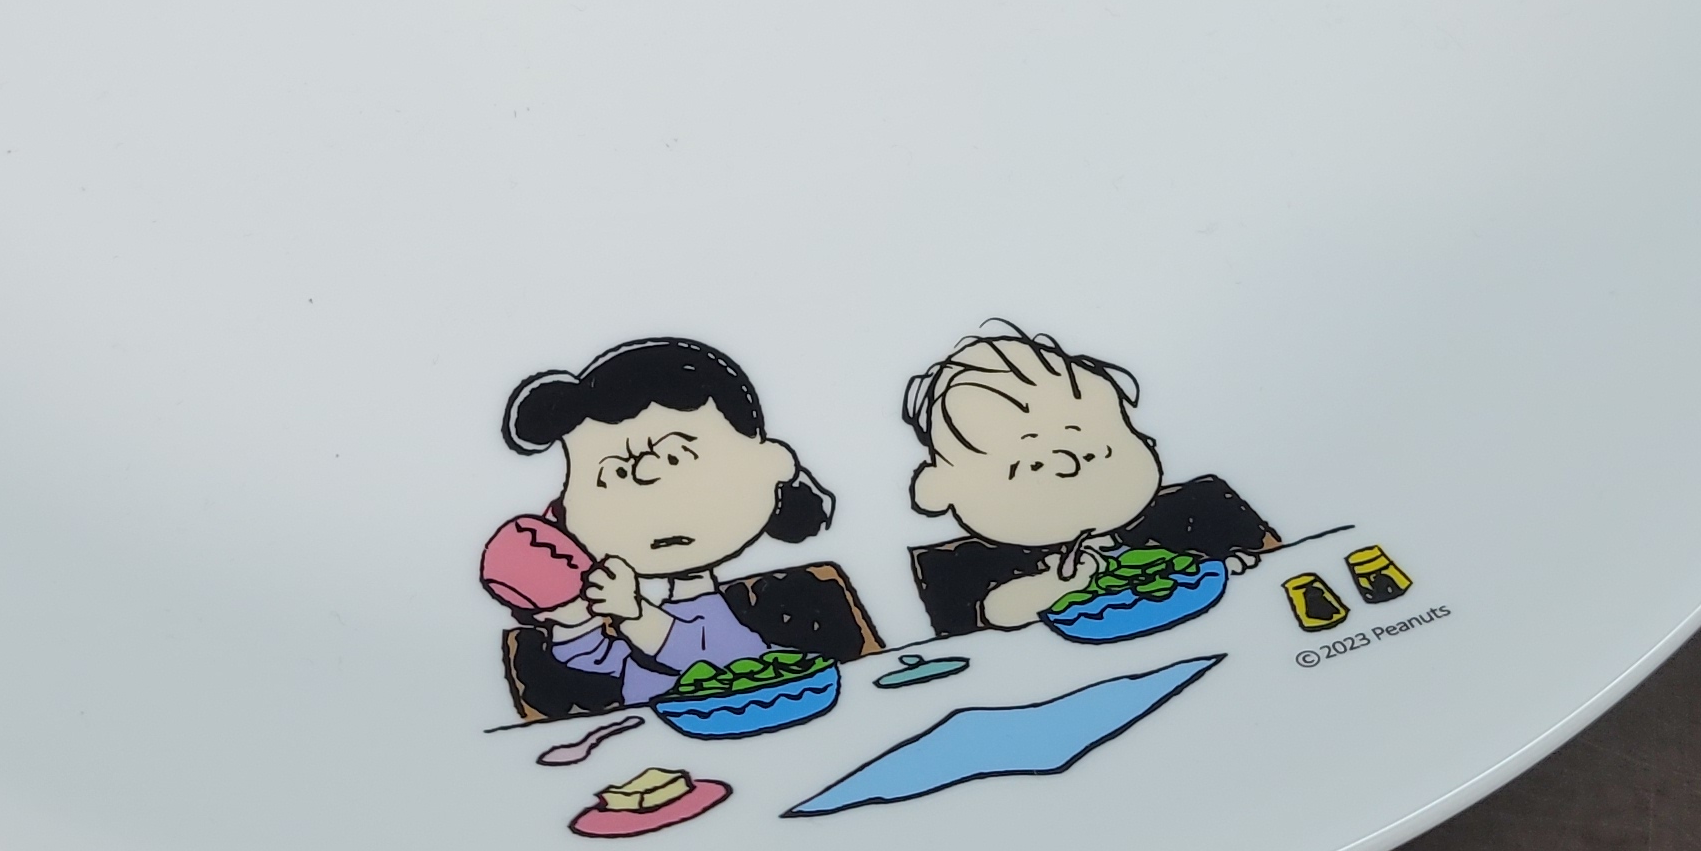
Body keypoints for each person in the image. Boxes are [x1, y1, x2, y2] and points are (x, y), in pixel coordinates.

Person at [496, 336, 848, 712]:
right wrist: (573, 624)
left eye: (676, 456)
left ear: (771, 463)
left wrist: (635, 613)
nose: (648, 482)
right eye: (614, 474)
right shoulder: (670, 612)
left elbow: (719, 659)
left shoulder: (709, 614)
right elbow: (606, 664)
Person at [899, 322, 1281, 637]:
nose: (1069, 468)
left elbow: (1249, 564)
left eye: (1097, 452)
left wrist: (1232, 566)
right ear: (941, 488)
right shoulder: (984, 562)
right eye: (1031, 466)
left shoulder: (1190, 512)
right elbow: (998, 614)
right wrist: (1054, 586)